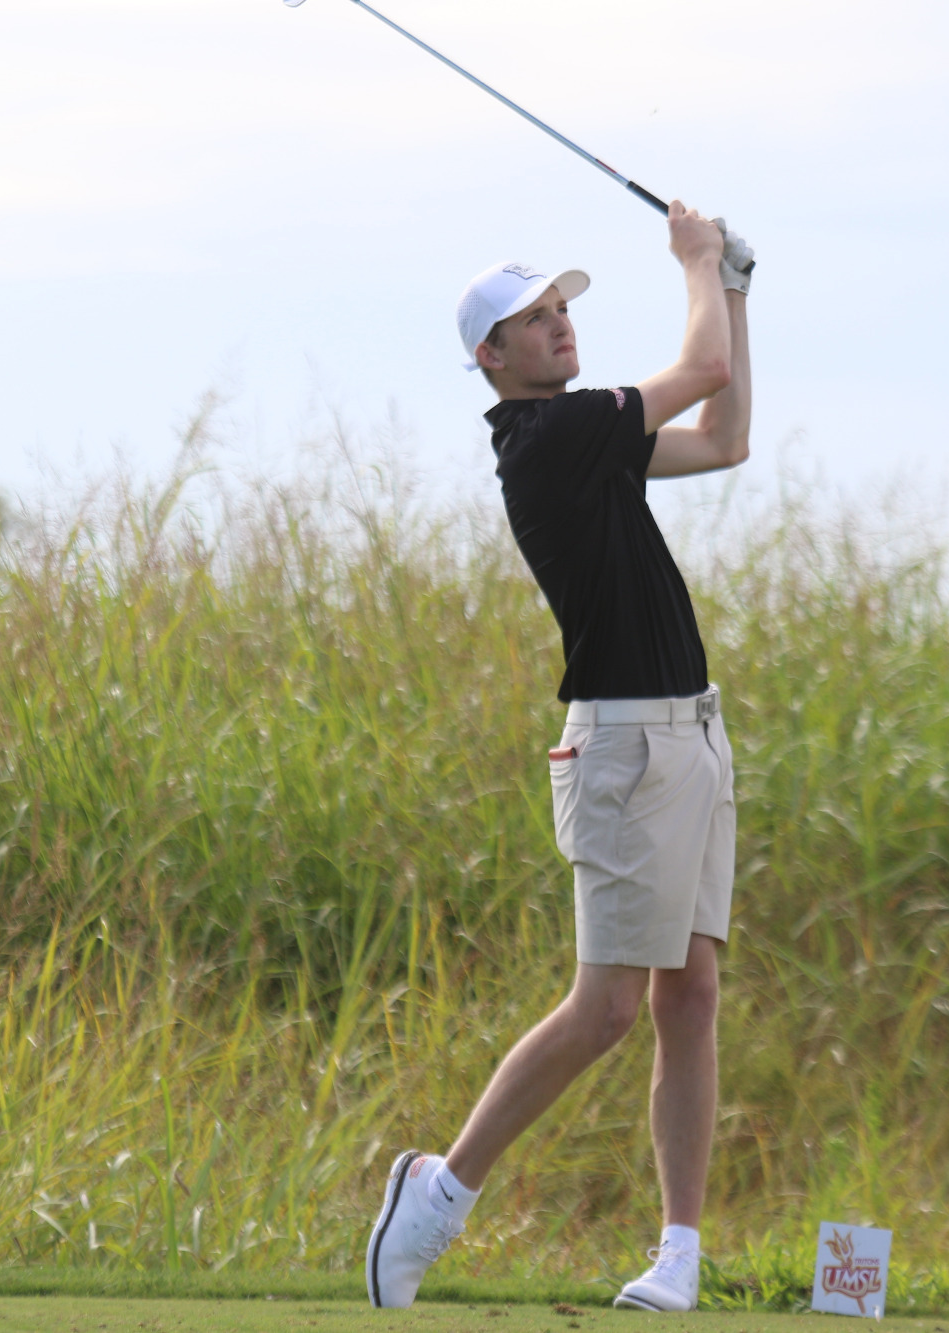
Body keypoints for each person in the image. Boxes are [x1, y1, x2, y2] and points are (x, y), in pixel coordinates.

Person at [365, 202, 755, 1313]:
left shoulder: (588, 442)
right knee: (607, 1007)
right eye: (532, 320)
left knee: (691, 992)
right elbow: (701, 370)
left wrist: (734, 288)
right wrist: (698, 263)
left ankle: (678, 1252)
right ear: (491, 358)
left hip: (691, 730)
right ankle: (441, 1190)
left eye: (559, 309)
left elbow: (724, 438)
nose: (558, 325)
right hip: (624, 746)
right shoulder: (552, 436)